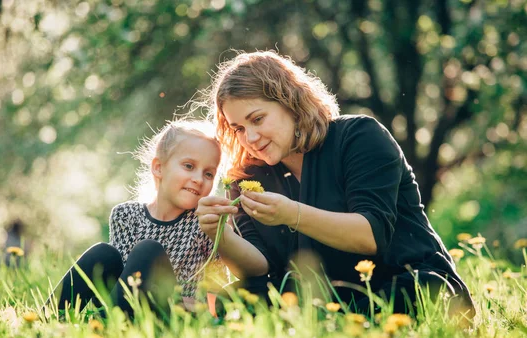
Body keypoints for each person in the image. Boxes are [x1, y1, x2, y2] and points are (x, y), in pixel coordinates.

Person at [195, 51, 475, 318]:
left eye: (257, 119)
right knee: (233, 298)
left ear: (289, 102)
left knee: (411, 294)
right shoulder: (248, 178)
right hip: (321, 300)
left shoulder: (359, 137)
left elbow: (371, 236)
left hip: (403, 281)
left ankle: (330, 329)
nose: (251, 138)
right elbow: (260, 268)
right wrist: (221, 234)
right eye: (239, 129)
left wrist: (292, 214)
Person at [46, 119, 227, 318]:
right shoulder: (127, 216)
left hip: (172, 313)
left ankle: (109, 324)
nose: (199, 179)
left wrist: (200, 308)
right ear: (159, 167)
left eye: (209, 173)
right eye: (189, 166)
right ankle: (49, 317)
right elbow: (123, 276)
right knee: (104, 253)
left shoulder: (205, 224)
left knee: (149, 249)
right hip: (127, 300)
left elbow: (217, 289)